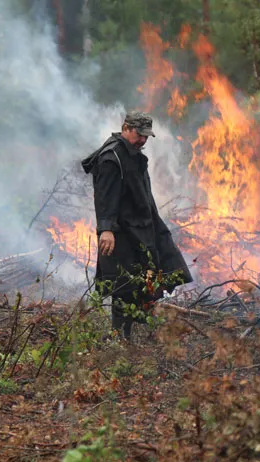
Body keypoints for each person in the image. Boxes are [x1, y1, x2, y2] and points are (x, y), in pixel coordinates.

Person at [81, 111, 193, 338]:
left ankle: (132, 333)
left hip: (142, 228)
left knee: (159, 270)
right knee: (124, 286)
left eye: (146, 136)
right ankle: (118, 337)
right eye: (139, 134)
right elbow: (105, 197)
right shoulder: (112, 158)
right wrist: (106, 229)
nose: (143, 140)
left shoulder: (131, 154)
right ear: (126, 128)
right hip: (122, 233)